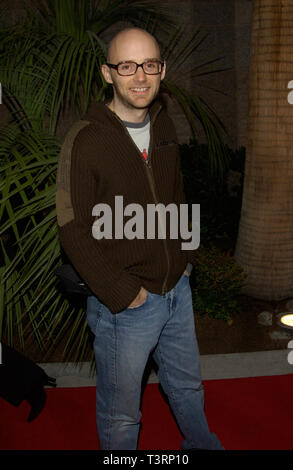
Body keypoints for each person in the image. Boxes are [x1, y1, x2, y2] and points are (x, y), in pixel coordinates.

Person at [56, 27, 223, 451]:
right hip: (128, 305)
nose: (140, 76)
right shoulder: (85, 138)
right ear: (108, 73)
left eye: (149, 64)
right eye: (126, 66)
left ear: (162, 69)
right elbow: (72, 226)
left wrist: (185, 258)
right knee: (122, 413)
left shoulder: (163, 123)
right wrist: (123, 293)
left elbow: (175, 190)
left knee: (187, 387)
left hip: (177, 289)